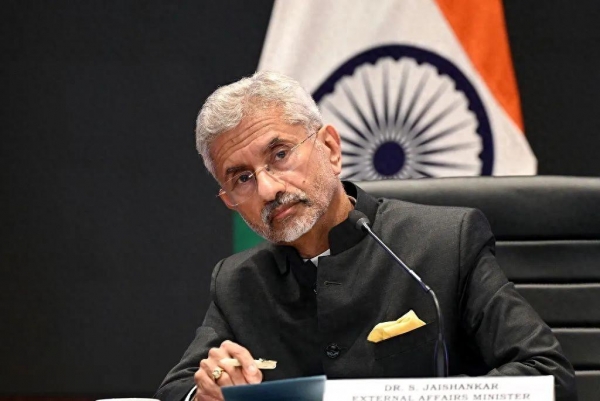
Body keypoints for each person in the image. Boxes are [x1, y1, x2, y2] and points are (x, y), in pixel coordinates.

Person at [156, 71, 577, 401]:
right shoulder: (238, 282)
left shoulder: (446, 243)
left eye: (280, 155)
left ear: (330, 148)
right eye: (242, 178)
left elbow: (547, 375)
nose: (267, 189)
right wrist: (209, 389)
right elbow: (177, 388)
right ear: (230, 201)